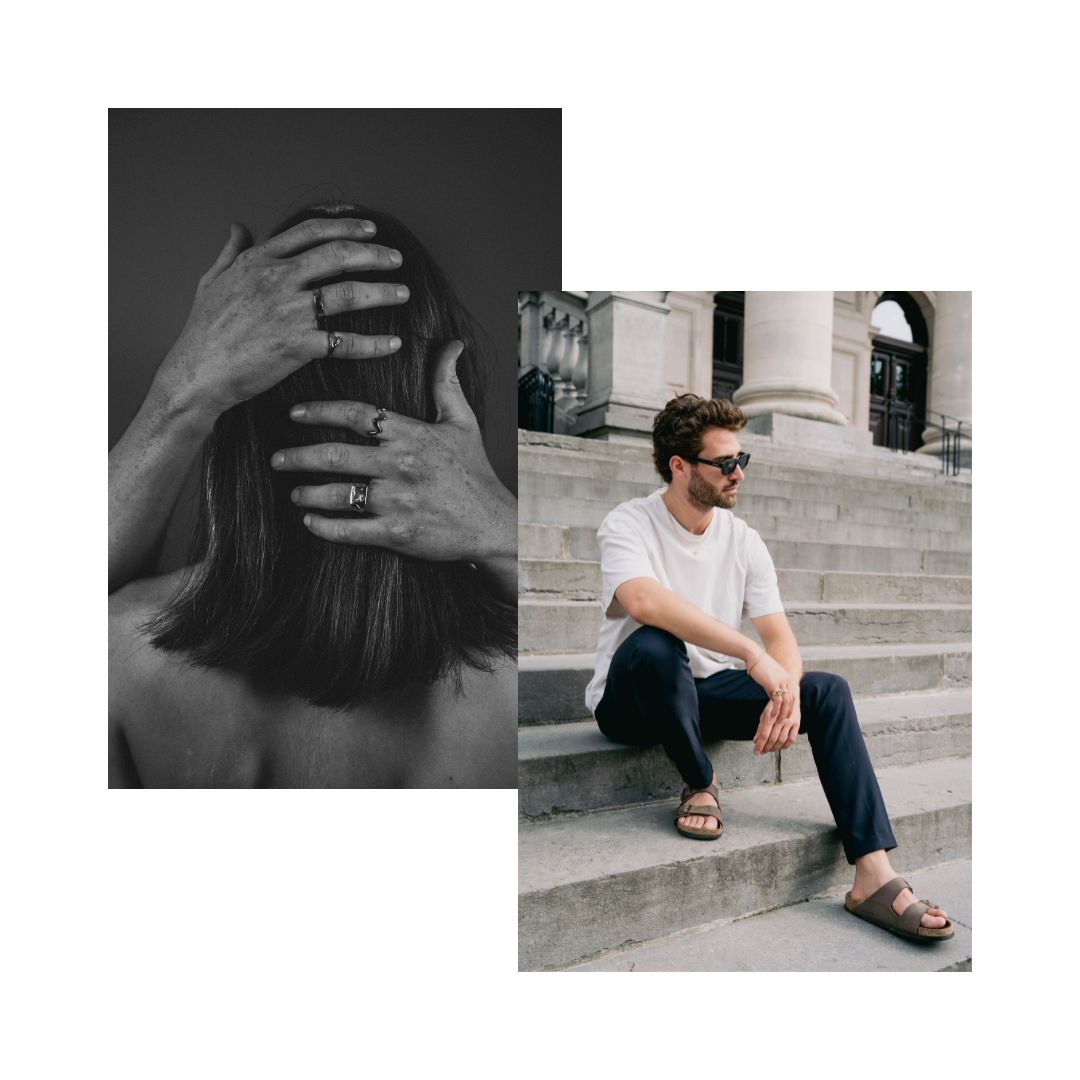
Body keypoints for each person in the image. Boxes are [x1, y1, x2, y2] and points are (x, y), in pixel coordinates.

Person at [109, 203, 517, 788]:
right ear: (446, 392)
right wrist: (501, 524)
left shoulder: (119, 649)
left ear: (238, 422)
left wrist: (180, 393)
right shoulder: (512, 676)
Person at [584, 393, 954, 943]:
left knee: (828, 690)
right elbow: (643, 601)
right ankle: (700, 782)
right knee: (657, 643)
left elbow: (779, 636)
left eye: (742, 461)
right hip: (636, 701)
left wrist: (787, 691)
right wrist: (749, 654)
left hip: (705, 697)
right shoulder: (629, 523)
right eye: (725, 463)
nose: (738, 474)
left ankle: (872, 872)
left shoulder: (744, 540)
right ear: (678, 465)